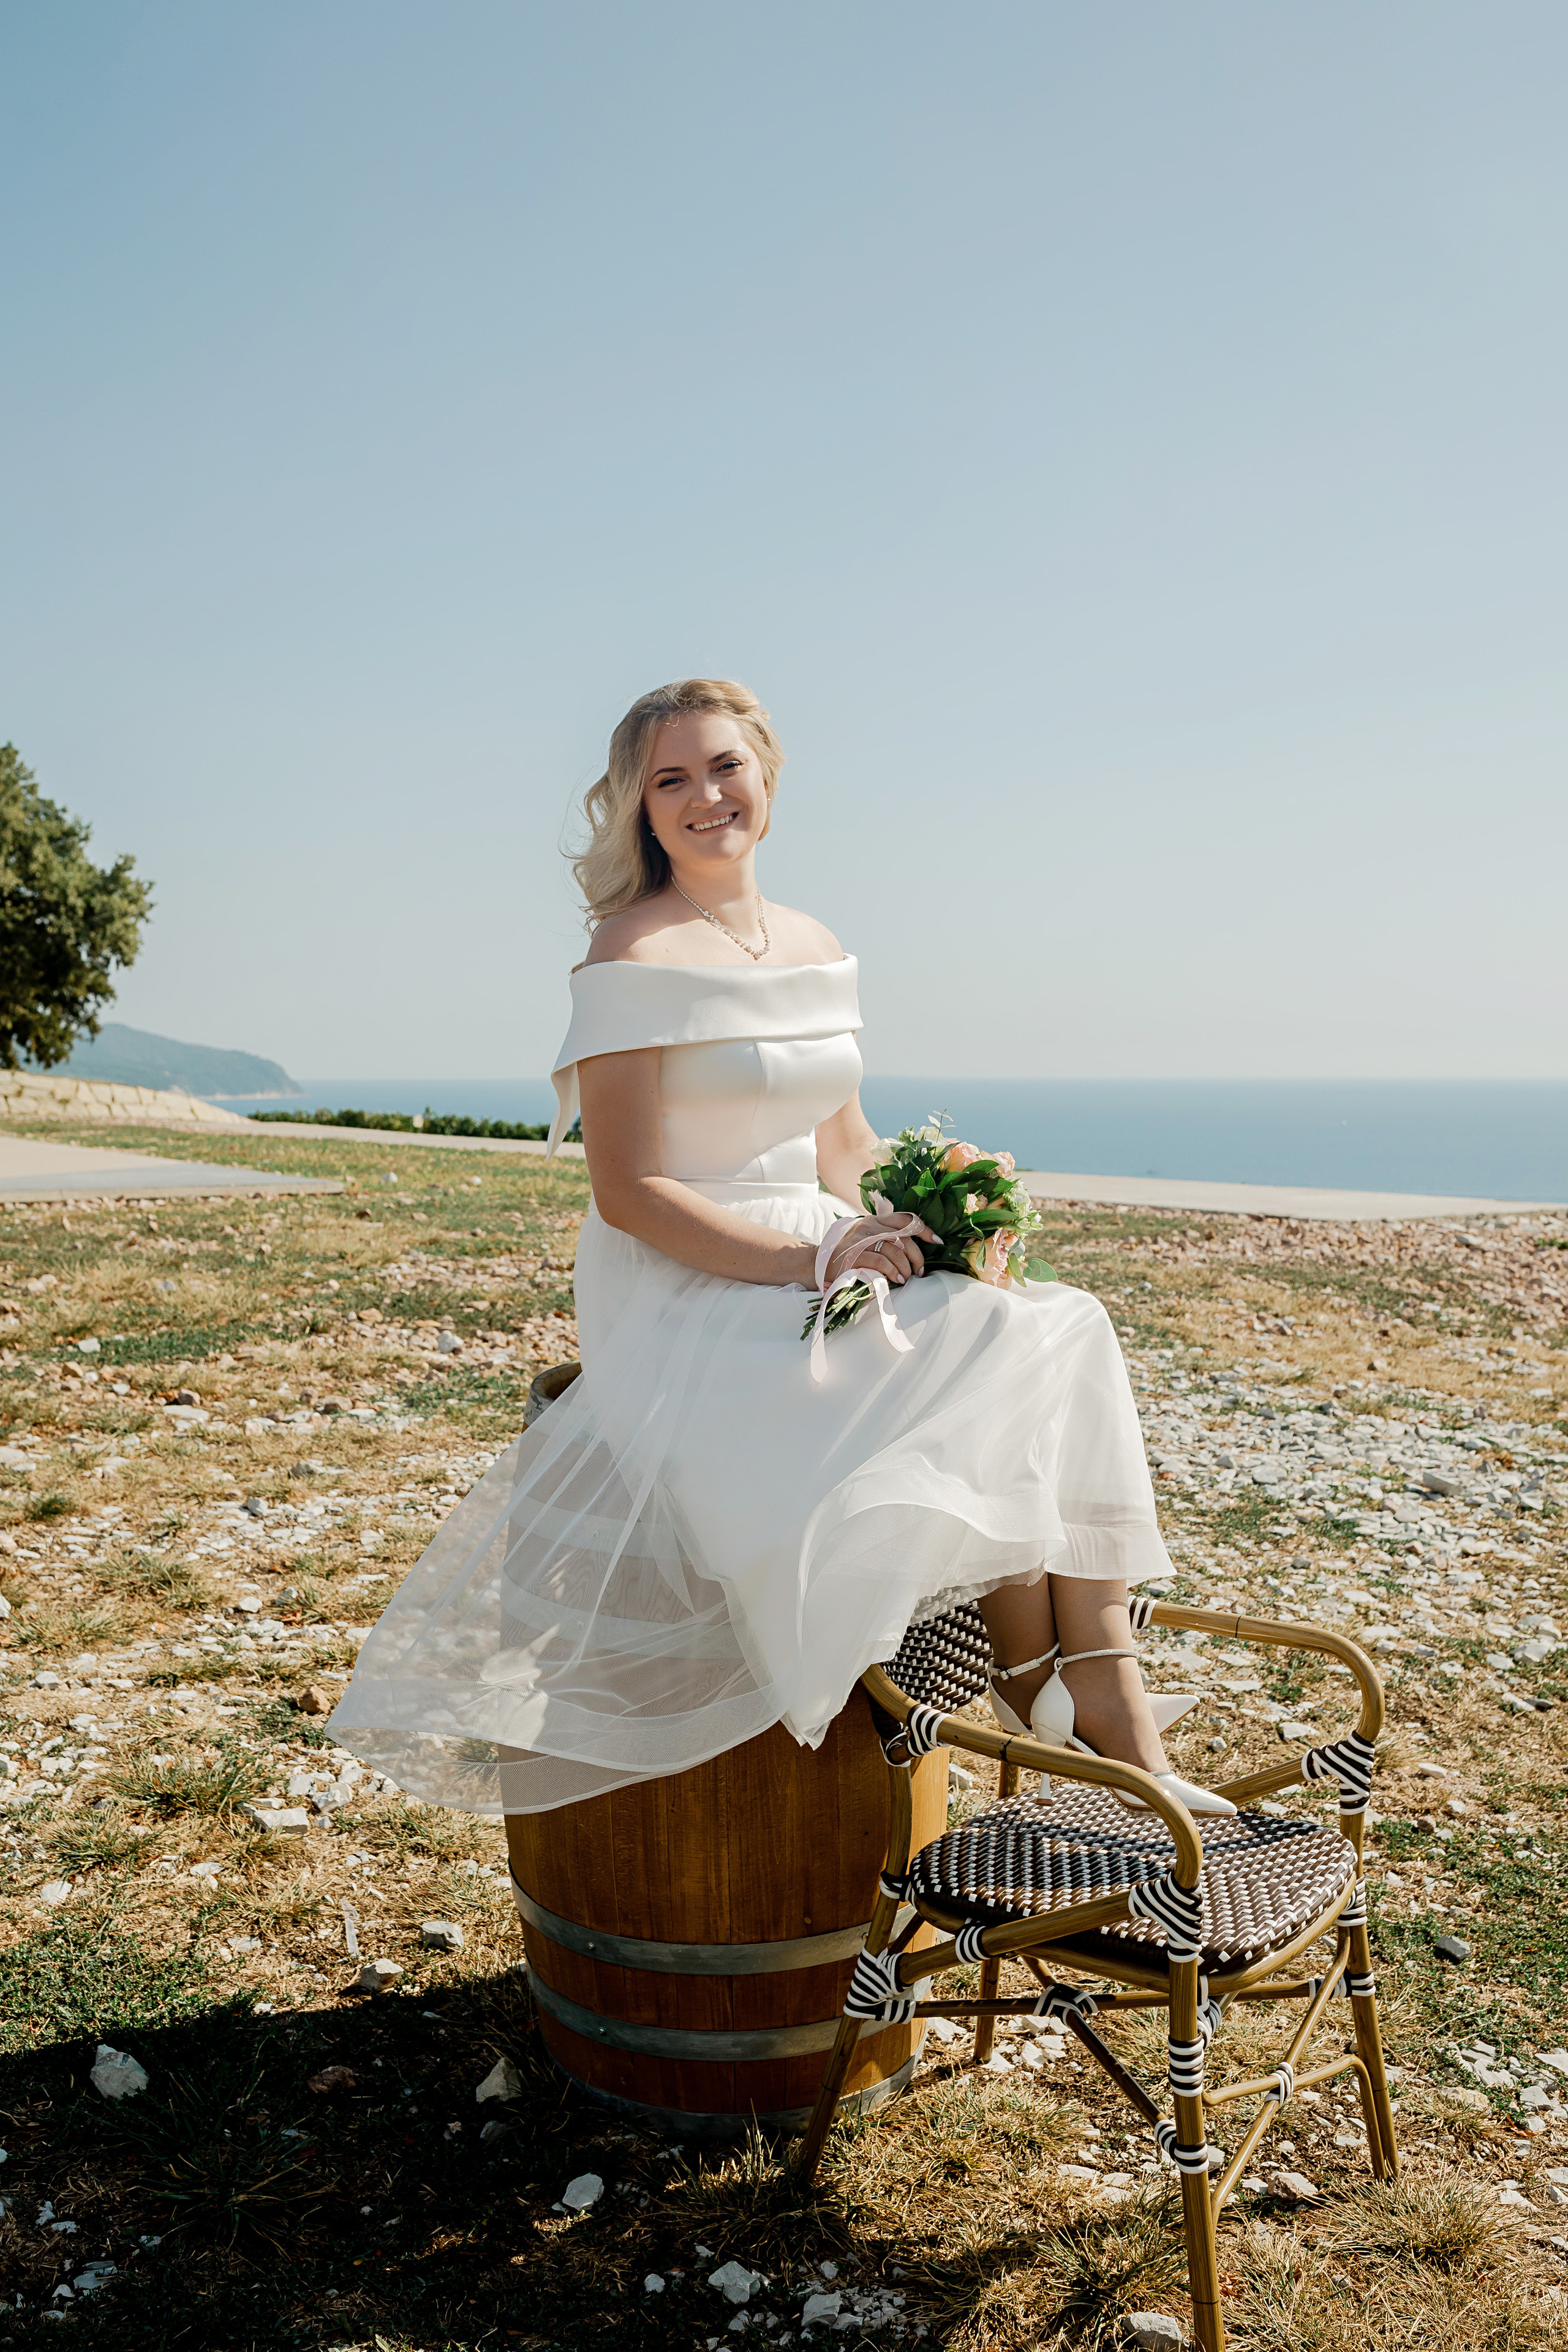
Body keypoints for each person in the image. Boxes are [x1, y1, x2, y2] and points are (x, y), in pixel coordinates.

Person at [326, 679, 1232, 1819]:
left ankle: (1101, 1699)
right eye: (671, 781)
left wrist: (940, 1218)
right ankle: (1073, 1710)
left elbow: (843, 1146)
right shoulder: (632, 954)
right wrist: (813, 1263)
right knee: (983, 1352)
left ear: (767, 773)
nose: (707, 796)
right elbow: (629, 1193)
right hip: (689, 1279)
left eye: (724, 767)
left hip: (820, 1241)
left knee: (1053, 1320)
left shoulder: (812, 940)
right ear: (640, 812)